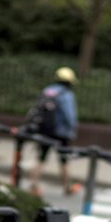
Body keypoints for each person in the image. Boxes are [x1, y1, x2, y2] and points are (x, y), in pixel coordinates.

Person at [31, 66, 79, 197]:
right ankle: (67, 186)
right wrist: (72, 129)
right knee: (64, 159)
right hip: (61, 132)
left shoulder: (48, 91)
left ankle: (33, 186)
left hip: (46, 131)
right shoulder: (67, 95)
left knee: (41, 158)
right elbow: (69, 116)